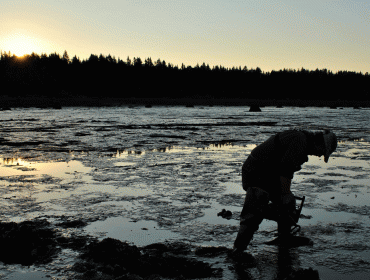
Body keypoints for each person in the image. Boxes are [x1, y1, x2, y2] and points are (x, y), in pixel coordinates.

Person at [230, 129, 337, 258]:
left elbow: (286, 169)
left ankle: (284, 238)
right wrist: (285, 193)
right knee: (254, 209)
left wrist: (286, 195)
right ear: (319, 143)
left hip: (269, 173)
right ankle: (238, 249)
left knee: (288, 204)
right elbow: (286, 169)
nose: (319, 155)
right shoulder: (300, 141)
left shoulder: (302, 140)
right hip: (256, 171)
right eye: (322, 151)